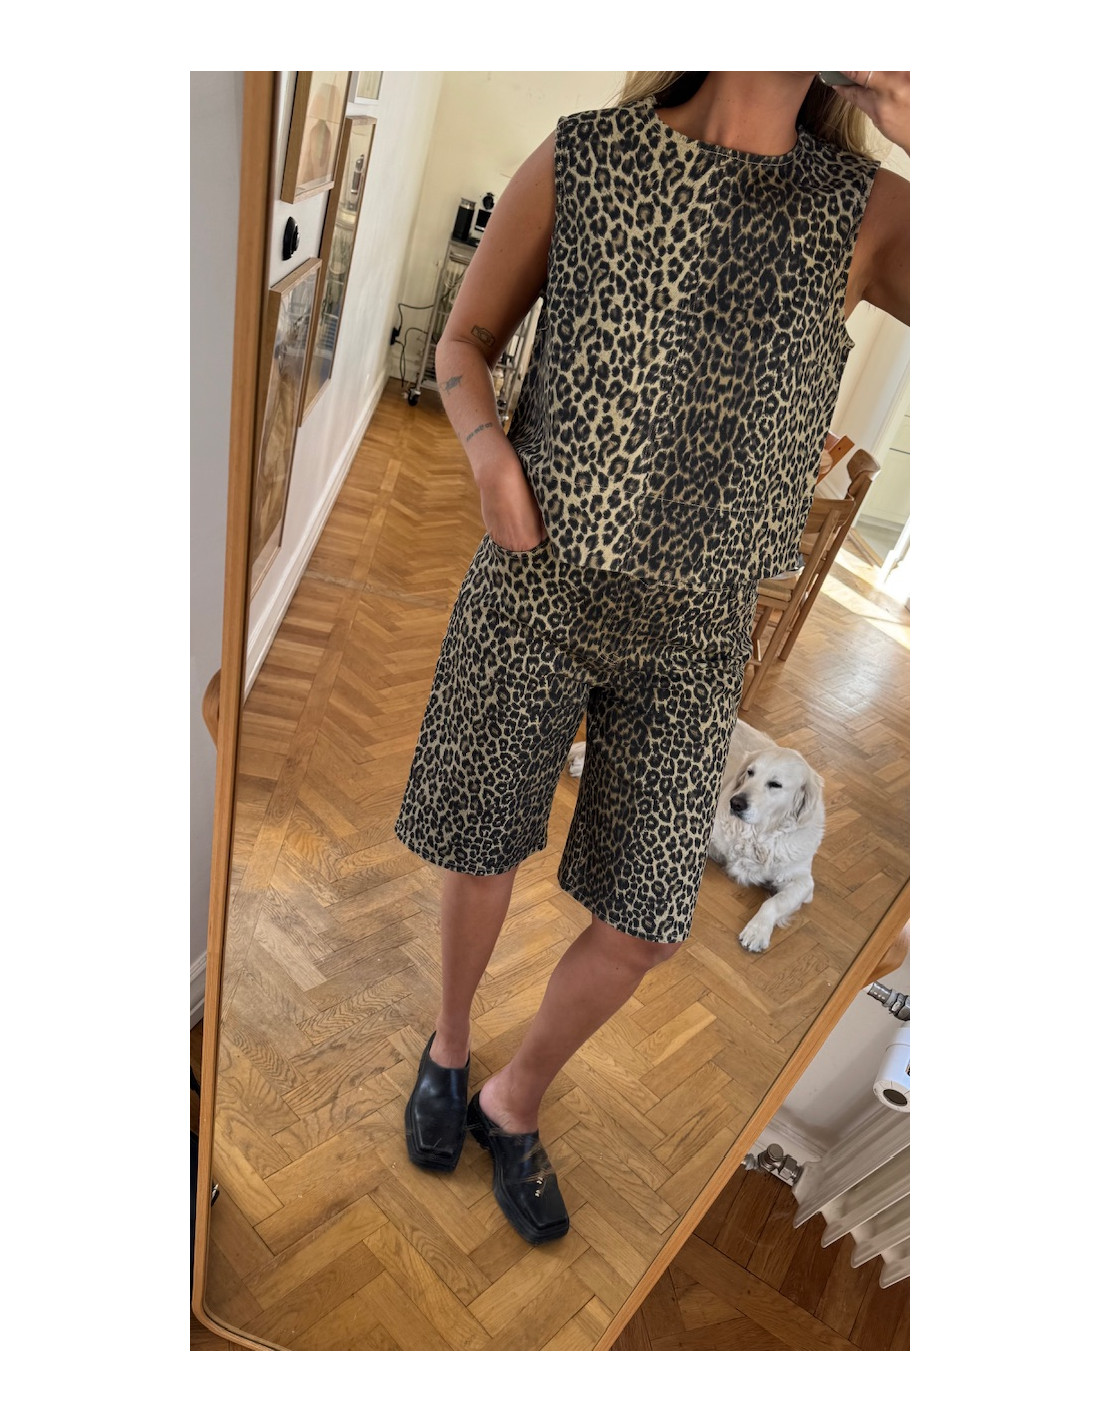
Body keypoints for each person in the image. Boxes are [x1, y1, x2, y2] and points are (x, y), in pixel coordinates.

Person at [395, 70, 910, 1245]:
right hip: (535, 583)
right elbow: (464, 342)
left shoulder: (868, 211)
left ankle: (512, 1099)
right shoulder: (585, 156)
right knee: (481, 843)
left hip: (695, 629)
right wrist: (485, 455)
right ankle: (449, 1046)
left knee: (644, 922)